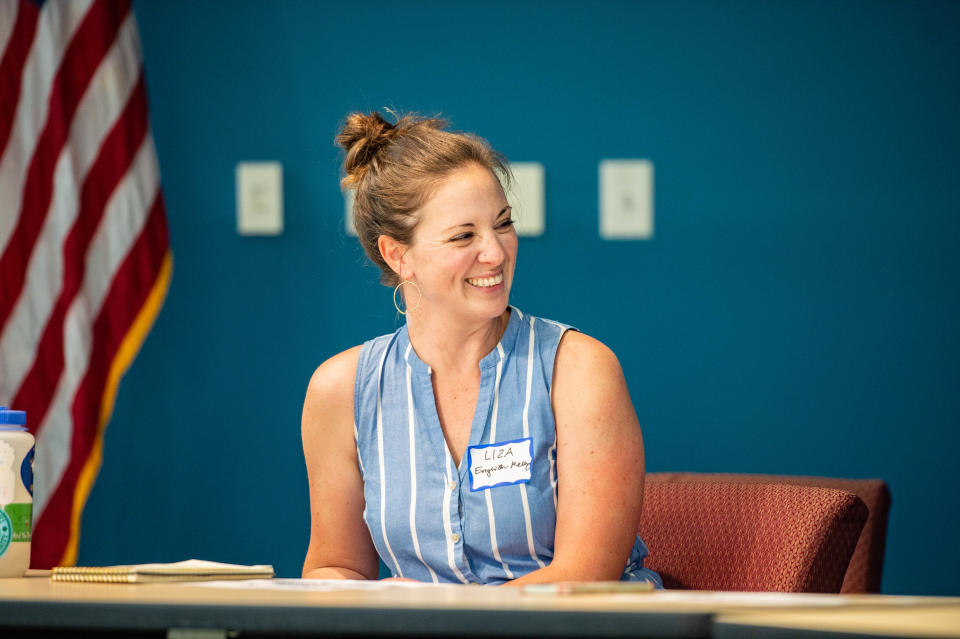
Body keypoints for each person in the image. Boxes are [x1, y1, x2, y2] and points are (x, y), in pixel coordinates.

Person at [301, 111, 660, 586]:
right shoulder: (340, 390)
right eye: (464, 236)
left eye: (503, 224)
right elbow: (336, 566)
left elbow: (585, 578)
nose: (495, 252)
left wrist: (436, 617)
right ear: (398, 255)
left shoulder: (580, 370)